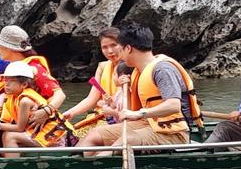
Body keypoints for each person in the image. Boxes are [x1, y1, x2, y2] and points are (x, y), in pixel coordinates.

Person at [77, 24, 202, 155]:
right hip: (147, 124)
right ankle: (76, 165)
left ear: (128, 48)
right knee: (94, 134)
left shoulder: (162, 70)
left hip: (173, 132)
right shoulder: (137, 70)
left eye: (119, 48)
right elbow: (129, 105)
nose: (116, 53)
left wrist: (139, 113)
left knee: (127, 139)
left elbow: (173, 105)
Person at [0, 62, 77, 152]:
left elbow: (19, 128)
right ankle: (10, 160)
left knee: (10, 136)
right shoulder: (13, 97)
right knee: (5, 134)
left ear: (24, 84)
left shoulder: (25, 101)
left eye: (11, 81)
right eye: (5, 80)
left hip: (58, 139)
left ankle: (13, 166)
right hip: (46, 135)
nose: (6, 84)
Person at [0, 25, 65, 129]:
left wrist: (46, 112)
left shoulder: (34, 69)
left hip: (35, 121)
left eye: (0, 45)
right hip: (19, 117)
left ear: (11, 48)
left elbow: (60, 94)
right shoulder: (15, 67)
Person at [62, 27, 122, 122]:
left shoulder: (130, 66)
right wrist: (71, 112)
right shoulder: (102, 67)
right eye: (105, 47)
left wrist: (102, 103)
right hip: (102, 115)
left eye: (113, 45)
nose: (110, 51)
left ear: (123, 45)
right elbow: (92, 99)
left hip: (121, 116)